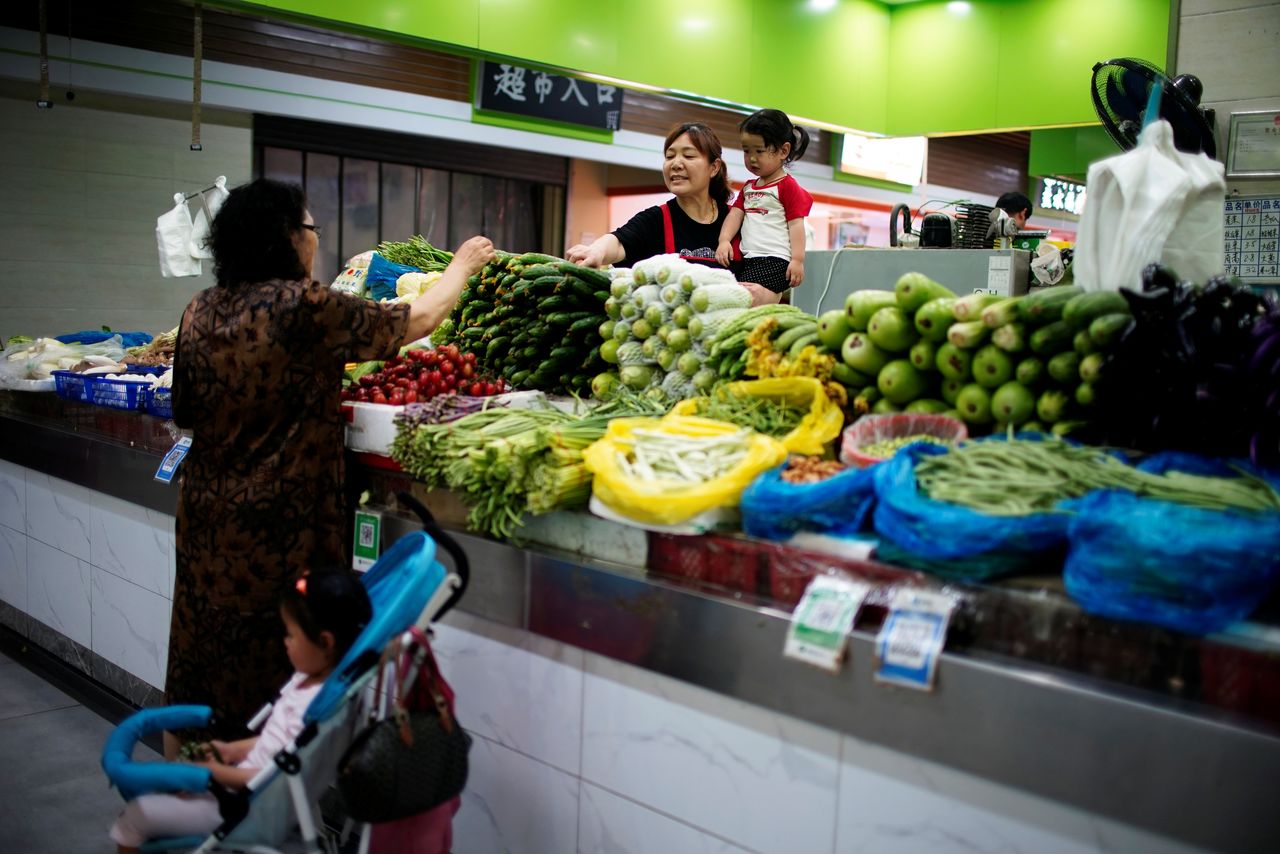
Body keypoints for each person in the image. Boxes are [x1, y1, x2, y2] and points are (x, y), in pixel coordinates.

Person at [166, 178, 493, 754]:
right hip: (279, 528)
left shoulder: (199, 311)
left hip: (205, 521)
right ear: (287, 239)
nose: (315, 241)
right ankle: (257, 797)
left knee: (199, 657)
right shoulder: (303, 306)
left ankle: (186, 789)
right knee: (281, 664)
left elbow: (187, 410)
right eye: (311, 228)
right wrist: (461, 267)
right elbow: (414, 323)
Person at [110, 569, 373, 853]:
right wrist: (231, 750)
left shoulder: (312, 707)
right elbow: (277, 743)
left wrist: (210, 773)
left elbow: (272, 773)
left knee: (137, 815)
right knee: (163, 797)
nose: (284, 641)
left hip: (243, 807)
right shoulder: (310, 680)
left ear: (325, 642)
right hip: (240, 790)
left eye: (291, 635)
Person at [565, 123, 775, 306]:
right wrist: (595, 252)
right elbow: (619, 242)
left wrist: (765, 295)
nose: (676, 164)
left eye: (689, 155)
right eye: (670, 156)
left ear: (714, 167)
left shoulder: (740, 222)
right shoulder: (655, 220)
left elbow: (772, 275)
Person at [715, 109, 813, 297]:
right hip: (749, 259)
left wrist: (798, 260)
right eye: (746, 151)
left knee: (742, 297)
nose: (751, 158)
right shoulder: (748, 188)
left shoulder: (787, 186)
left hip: (775, 261)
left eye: (759, 151)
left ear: (783, 151)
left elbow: (796, 224)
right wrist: (724, 240)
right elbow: (735, 215)